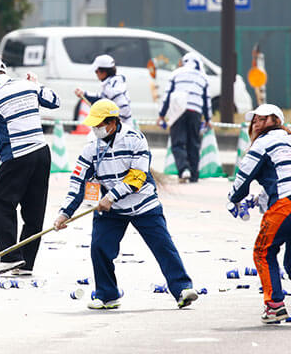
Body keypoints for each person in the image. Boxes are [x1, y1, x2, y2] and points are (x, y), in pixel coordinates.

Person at [54, 99, 198, 310]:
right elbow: (78, 182)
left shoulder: (135, 139)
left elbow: (137, 177)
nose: (96, 129)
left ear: (113, 122)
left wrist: (110, 196)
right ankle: (107, 295)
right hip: (111, 210)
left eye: (99, 125)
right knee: (100, 248)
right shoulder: (90, 147)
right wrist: (64, 213)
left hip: (144, 205)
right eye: (93, 125)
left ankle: (182, 288)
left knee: (163, 246)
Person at [0, 56, 60, 276]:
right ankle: (26, 264)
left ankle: (10, 257)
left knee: (0, 206)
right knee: (34, 212)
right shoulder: (27, 84)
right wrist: (36, 84)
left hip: (17, 155)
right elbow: (54, 101)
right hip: (41, 153)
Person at [227, 104, 291, 324]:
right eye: (254, 119)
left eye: (262, 119)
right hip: (284, 200)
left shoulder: (263, 143)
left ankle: (274, 306)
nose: (256, 123)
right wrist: (258, 198)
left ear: (276, 120)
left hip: (285, 206)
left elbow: (243, 177)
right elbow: (281, 176)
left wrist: (233, 199)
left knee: (263, 252)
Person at [157, 52, 211, 183]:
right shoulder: (203, 77)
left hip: (177, 110)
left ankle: (183, 169)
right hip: (195, 111)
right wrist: (208, 119)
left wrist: (161, 115)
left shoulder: (176, 73)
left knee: (178, 143)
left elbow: (167, 95)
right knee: (194, 143)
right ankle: (194, 175)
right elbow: (206, 100)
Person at [75, 54, 135, 128]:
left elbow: (124, 108)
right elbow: (102, 97)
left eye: (96, 71)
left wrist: (114, 123)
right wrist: (84, 94)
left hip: (121, 128)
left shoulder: (113, 88)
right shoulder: (111, 84)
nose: (96, 74)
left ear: (104, 71)